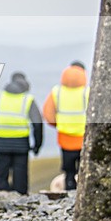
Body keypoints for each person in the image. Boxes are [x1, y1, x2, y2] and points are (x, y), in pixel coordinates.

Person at [0, 72, 43, 194]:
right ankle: (21, 201)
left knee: (1, 173)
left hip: (1, 141)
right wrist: (37, 145)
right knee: (20, 175)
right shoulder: (28, 99)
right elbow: (37, 123)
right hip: (21, 143)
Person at [42, 61, 89, 190]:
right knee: (84, 169)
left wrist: (59, 124)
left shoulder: (57, 92)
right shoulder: (87, 93)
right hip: (83, 138)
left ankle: (69, 189)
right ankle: (83, 192)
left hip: (65, 138)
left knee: (69, 170)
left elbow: (48, 114)